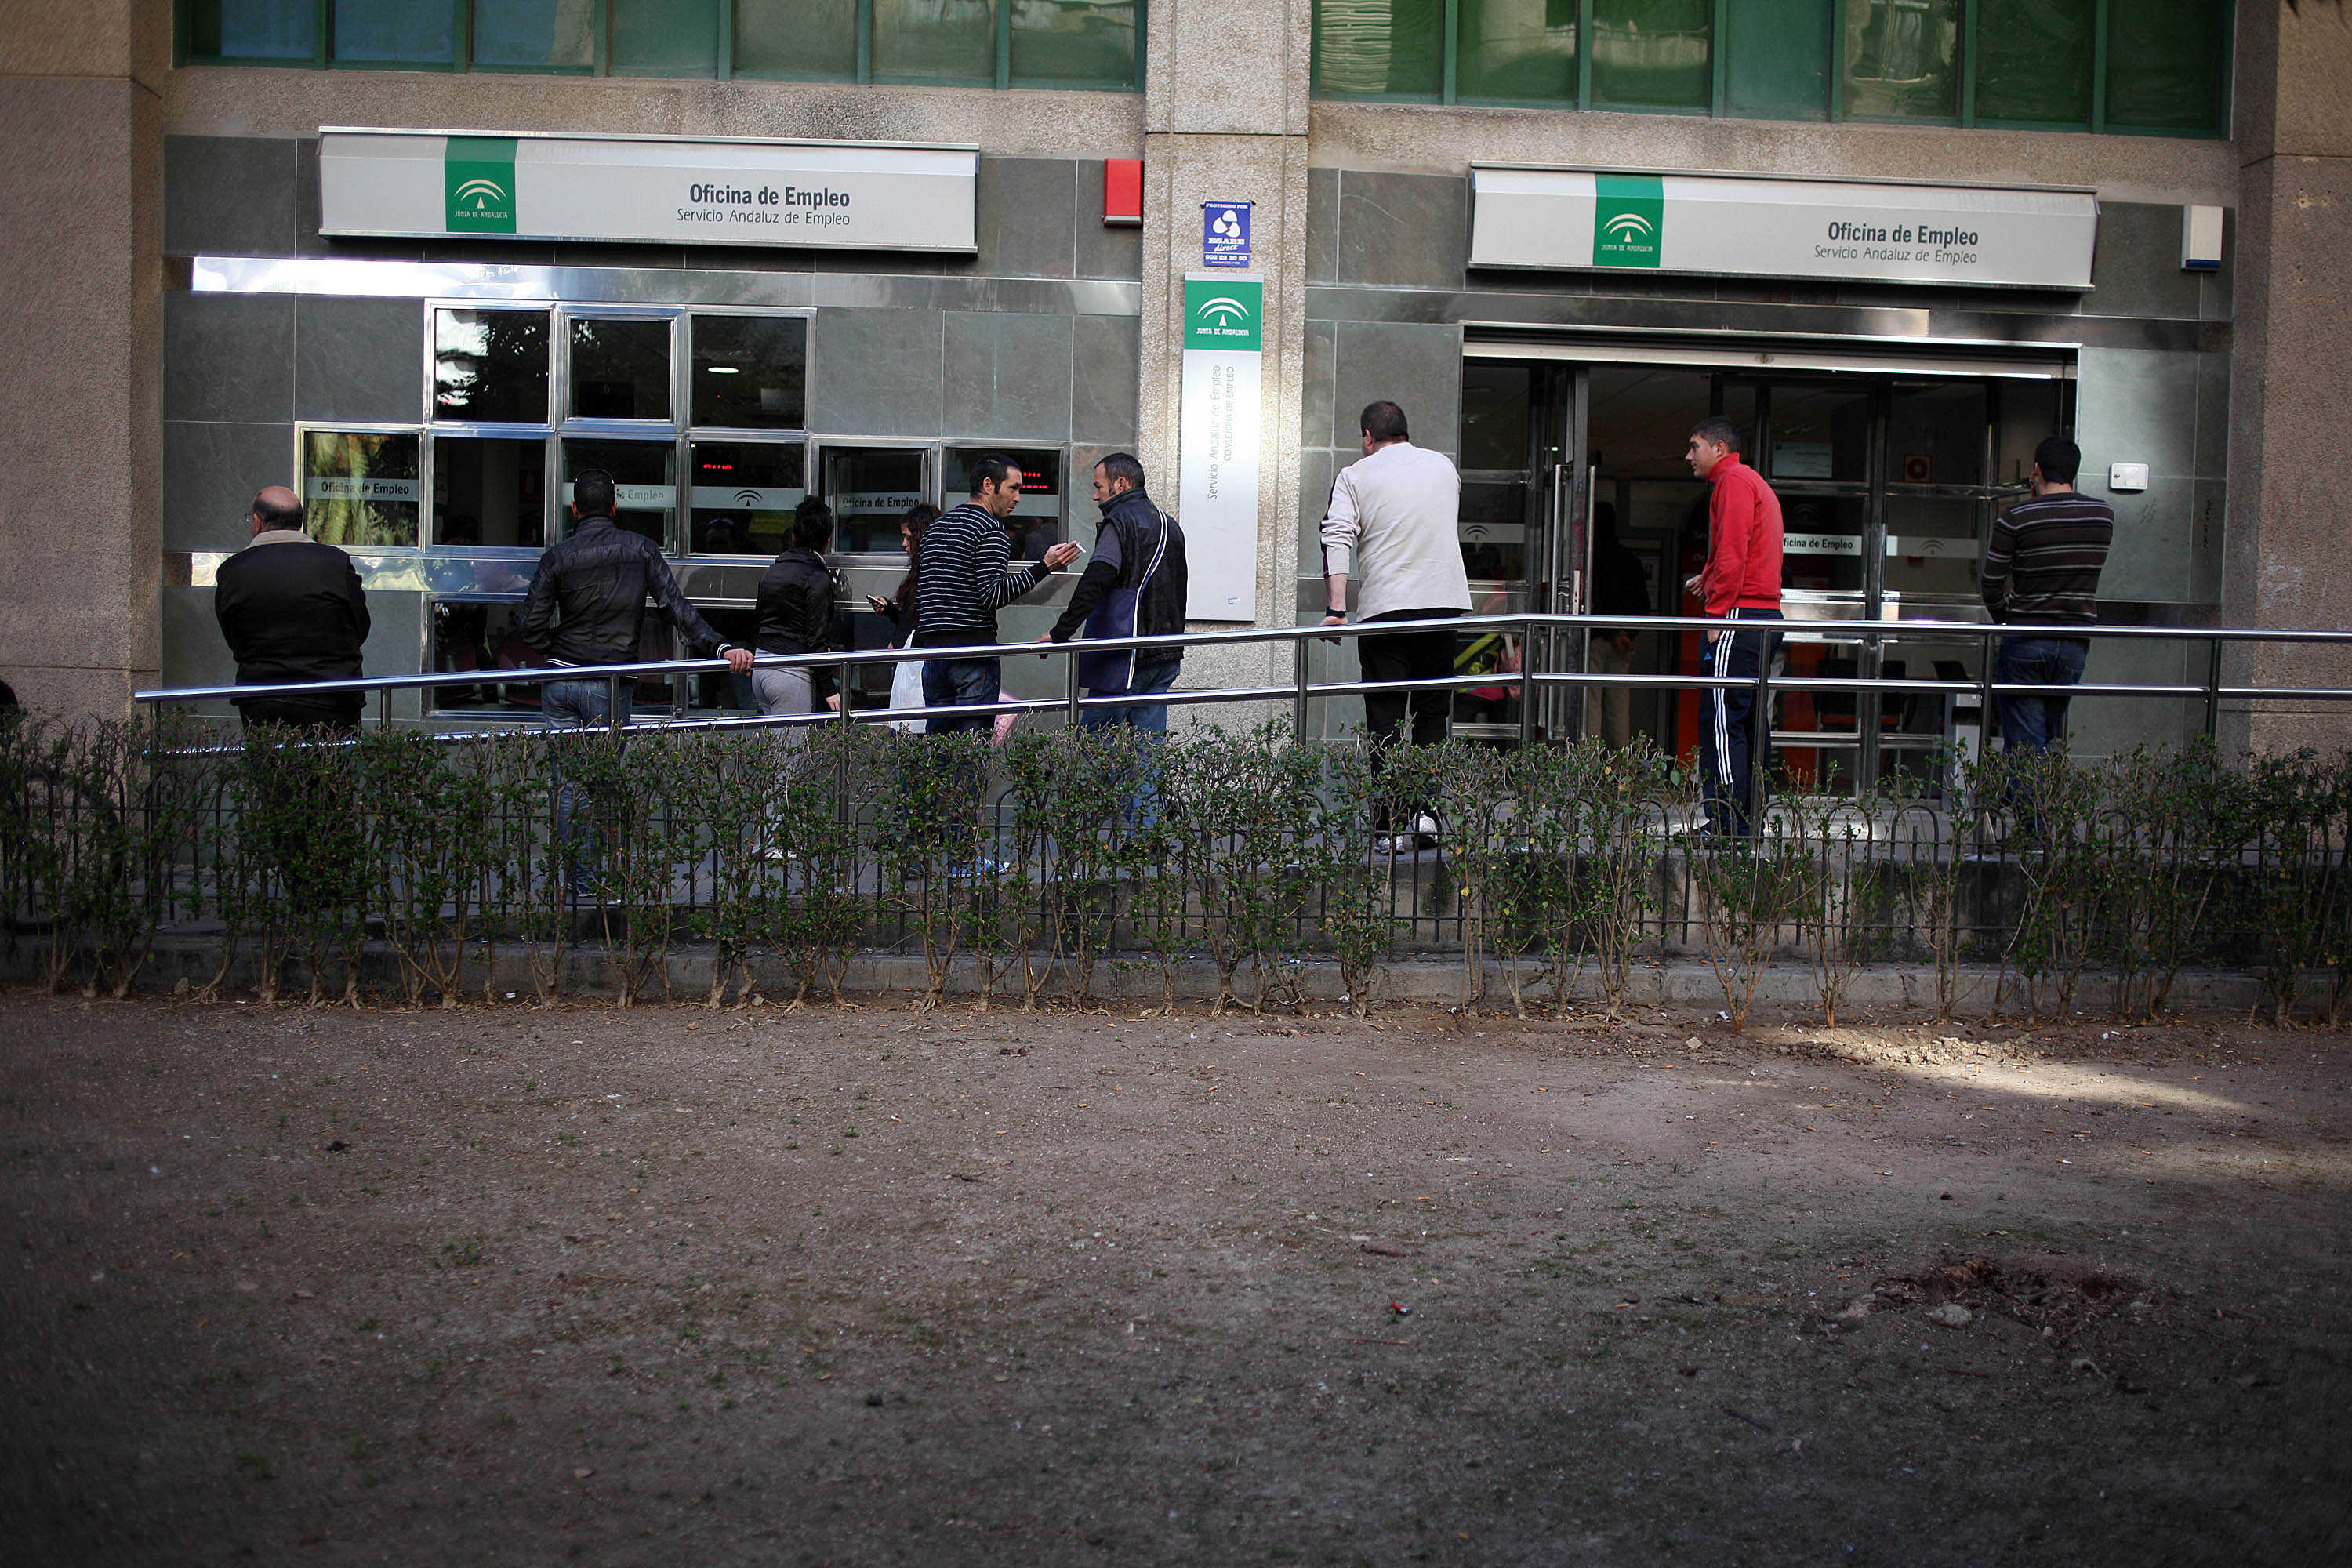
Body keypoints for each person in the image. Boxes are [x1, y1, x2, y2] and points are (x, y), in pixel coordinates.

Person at [1319, 400, 1472, 853]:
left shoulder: (1355, 476)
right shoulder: (1444, 468)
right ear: (1405, 431)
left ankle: (1388, 824)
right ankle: (1427, 815)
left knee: (1385, 717)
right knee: (1432, 712)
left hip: (1387, 609)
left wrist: (1337, 607)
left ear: (1368, 436)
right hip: (1443, 605)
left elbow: (1337, 535)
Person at [518, 467, 753, 731]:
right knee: (603, 769)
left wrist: (557, 644)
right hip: (610, 678)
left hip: (560, 676)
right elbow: (675, 607)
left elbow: (529, 624)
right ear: (615, 507)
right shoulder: (641, 549)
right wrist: (721, 647)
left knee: (562, 770)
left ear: (574, 508)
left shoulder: (557, 556)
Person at [913, 455, 1081, 737]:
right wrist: (1044, 567)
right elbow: (993, 594)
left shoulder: (936, 528)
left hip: (934, 655)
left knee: (938, 752)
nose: (1018, 497)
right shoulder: (990, 529)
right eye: (1013, 488)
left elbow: (922, 593)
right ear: (989, 485)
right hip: (973, 653)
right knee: (972, 751)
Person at [1682, 416, 1784, 835]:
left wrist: (1716, 615)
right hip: (1761, 614)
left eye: (1695, 446)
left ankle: (1726, 820)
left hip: (1742, 615)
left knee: (1721, 719)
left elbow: (1733, 550)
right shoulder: (1749, 481)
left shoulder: (1733, 482)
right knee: (1748, 720)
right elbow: (1746, 551)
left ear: (1719, 447)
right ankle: (1746, 817)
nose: (1689, 456)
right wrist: (1710, 579)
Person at [1981, 435, 2113, 757]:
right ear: (2074, 472)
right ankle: (2028, 802)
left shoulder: (2016, 517)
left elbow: (1991, 583)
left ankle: (2027, 806)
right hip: (2074, 640)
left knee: (2026, 742)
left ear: (2036, 470)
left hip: (2026, 637)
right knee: (2042, 737)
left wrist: (2006, 618)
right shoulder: (2102, 516)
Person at [1046, 452, 1188, 735]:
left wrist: (1059, 633)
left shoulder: (1119, 522)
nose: (1096, 496)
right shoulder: (1170, 525)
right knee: (1147, 753)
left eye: (1099, 487)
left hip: (1125, 657)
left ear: (1120, 484)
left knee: (1095, 747)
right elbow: (1180, 590)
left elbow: (1094, 582)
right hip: (1165, 655)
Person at [212, 485, 371, 732]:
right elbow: (360, 626)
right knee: (330, 769)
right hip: (332, 695)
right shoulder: (336, 563)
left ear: (257, 521)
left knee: (270, 769)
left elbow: (232, 634)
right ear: (300, 522)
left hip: (262, 696)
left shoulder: (233, 571)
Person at [752, 497, 844, 746]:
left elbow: (758, 619)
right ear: (827, 541)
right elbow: (816, 639)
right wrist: (829, 689)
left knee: (774, 762)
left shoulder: (773, 570)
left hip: (761, 666)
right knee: (790, 766)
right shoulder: (816, 577)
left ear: (794, 534)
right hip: (790, 673)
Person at [1588, 503, 1651, 750]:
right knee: (1619, 707)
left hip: (1593, 638)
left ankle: (1589, 767)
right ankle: (1621, 771)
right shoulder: (1629, 559)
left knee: (1591, 705)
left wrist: (1610, 633)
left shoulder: (1589, 558)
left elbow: (1591, 600)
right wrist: (1626, 635)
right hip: (1624, 642)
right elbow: (1643, 604)